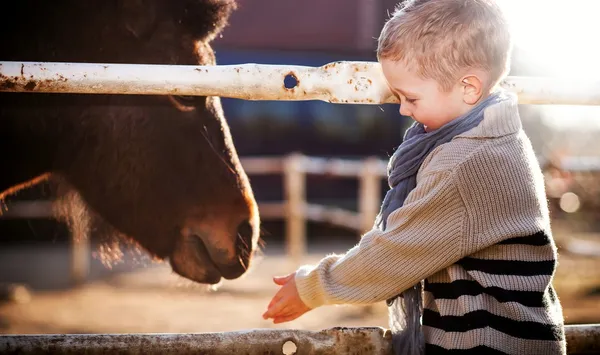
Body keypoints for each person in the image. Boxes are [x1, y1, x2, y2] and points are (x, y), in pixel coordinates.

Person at [262, 0, 566, 354]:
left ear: (469, 88)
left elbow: (393, 254)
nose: (403, 109)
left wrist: (311, 286)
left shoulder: (465, 163)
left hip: (488, 344)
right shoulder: (501, 138)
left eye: (410, 97)